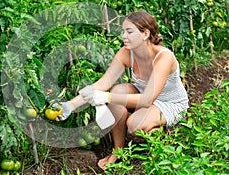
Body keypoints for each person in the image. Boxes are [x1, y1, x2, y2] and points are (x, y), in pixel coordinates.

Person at [54, 11, 189, 170]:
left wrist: (106, 97)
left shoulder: (163, 57)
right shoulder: (126, 53)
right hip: (143, 95)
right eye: (123, 31)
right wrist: (70, 105)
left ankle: (161, 136)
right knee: (117, 90)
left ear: (145, 34)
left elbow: (147, 99)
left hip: (169, 103)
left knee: (133, 124)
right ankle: (118, 151)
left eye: (129, 32)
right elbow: (103, 83)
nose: (124, 36)